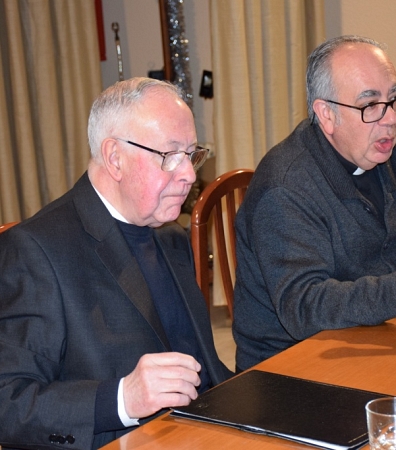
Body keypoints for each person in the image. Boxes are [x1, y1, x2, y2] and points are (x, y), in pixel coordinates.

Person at [0, 77, 233, 449]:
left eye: (191, 154)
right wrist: (122, 399)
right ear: (114, 158)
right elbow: (8, 404)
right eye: (169, 155)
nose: (189, 174)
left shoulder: (170, 236)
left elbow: (207, 372)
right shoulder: (35, 251)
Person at [232, 35, 396, 372]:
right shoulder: (285, 187)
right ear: (326, 115)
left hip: (385, 338)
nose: (391, 118)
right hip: (293, 371)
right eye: (370, 105)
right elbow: (306, 309)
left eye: (393, 99)